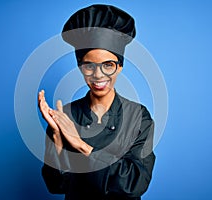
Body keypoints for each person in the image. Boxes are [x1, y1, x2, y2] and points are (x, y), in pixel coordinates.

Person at [38, 4, 155, 200]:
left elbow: (136, 182)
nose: (98, 75)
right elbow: (56, 185)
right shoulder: (64, 117)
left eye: (108, 65)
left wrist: (81, 145)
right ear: (80, 67)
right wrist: (57, 142)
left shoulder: (138, 116)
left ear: (119, 67)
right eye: (89, 66)